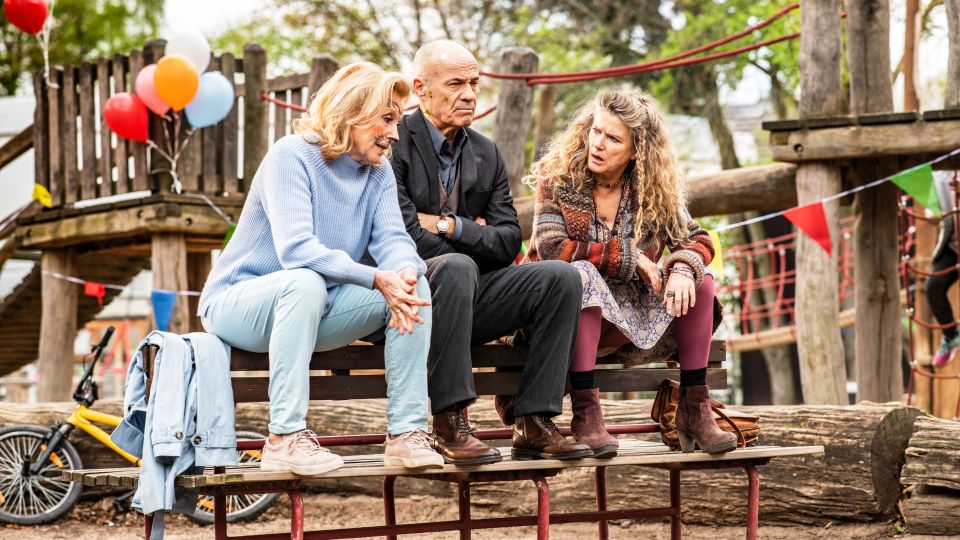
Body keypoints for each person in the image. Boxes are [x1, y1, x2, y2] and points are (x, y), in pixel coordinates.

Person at [198, 62, 444, 474]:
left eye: (397, 121)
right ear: (352, 112)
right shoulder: (290, 155)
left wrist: (400, 273)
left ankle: (406, 432)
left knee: (413, 281)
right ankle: (285, 437)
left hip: (315, 307)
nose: (395, 134)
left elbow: (393, 240)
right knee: (305, 281)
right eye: (387, 118)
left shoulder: (378, 172)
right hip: (238, 305)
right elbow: (296, 249)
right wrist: (373, 276)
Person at [390, 40, 592, 462]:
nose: (469, 94)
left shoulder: (486, 151)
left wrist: (448, 224)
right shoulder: (396, 144)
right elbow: (403, 234)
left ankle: (533, 418)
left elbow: (505, 243)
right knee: (456, 265)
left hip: (473, 295)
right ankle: (449, 421)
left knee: (561, 276)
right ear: (421, 89)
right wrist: (470, 237)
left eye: (474, 83)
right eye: (455, 84)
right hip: (409, 300)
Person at [524, 88, 736, 455]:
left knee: (700, 280)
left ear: (637, 150)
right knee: (582, 276)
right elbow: (552, 250)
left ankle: (694, 407)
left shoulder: (653, 189)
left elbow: (698, 239)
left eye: (612, 138)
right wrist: (630, 257)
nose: (598, 143)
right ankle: (586, 414)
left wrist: (684, 268)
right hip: (564, 320)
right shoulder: (557, 176)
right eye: (595, 130)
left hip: (629, 322)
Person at [925, 170, 960, 367]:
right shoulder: (940, 176)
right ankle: (951, 336)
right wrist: (933, 213)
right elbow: (932, 210)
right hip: (953, 247)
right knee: (933, 288)